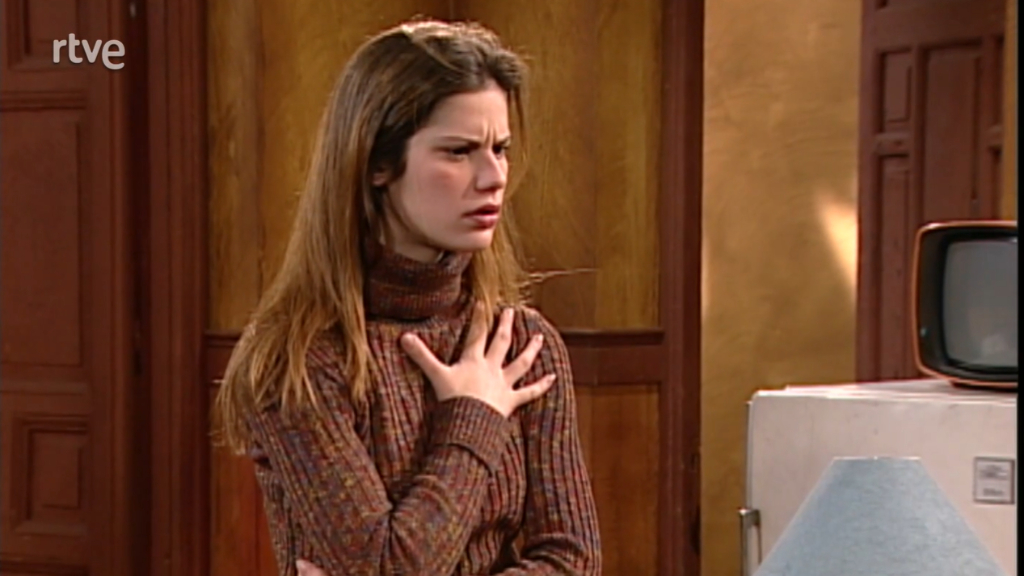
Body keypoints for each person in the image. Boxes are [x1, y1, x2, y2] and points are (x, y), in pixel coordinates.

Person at [213, 18, 602, 576]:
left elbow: (573, 562)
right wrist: (473, 418)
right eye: (459, 151)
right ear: (377, 164)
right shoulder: (300, 359)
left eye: (500, 148)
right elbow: (386, 566)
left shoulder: (520, 346)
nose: (494, 176)